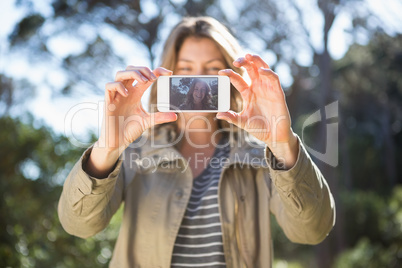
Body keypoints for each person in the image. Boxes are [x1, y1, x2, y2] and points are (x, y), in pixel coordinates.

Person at [58, 16, 335, 267]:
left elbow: (312, 230)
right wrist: (107, 148)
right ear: (169, 75)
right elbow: (78, 224)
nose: (198, 83)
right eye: (186, 68)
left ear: (230, 77)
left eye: (212, 69)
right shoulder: (134, 150)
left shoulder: (262, 155)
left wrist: (283, 143)